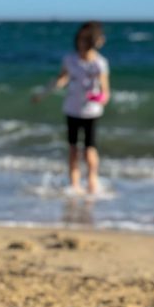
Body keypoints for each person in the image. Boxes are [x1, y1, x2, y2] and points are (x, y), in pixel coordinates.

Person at [33, 22, 110, 194]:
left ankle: (92, 182)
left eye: (85, 41)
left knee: (90, 149)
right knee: (73, 148)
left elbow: (105, 91)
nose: (81, 44)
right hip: (72, 109)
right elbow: (61, 78)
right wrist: (44, 93)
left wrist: (99, 98)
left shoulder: (99, 63)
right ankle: (74, 185)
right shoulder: (70, 59)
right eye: (80, 40)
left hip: (91, 111)